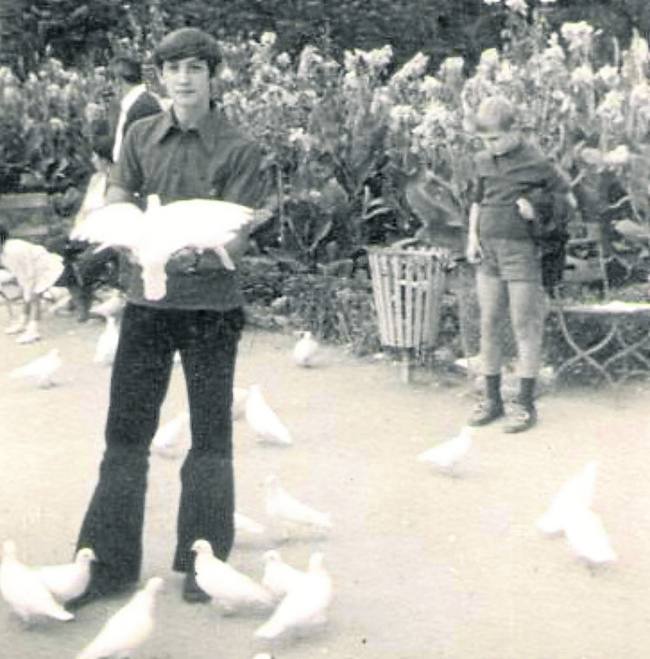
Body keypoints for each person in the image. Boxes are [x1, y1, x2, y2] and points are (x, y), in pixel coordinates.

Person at [70, 27, 272, 609]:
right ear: (160, 76)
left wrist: (199, 251)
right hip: (145, 306)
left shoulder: (238, 146)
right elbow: (119, 198)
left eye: (195, 68)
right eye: (172, 68)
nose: (183, 78)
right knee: (125, 434)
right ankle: (107, 564)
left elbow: (242, 234)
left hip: (211, 308)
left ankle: (203, 565)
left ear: (213, 76)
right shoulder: (138, 135)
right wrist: (120, 228)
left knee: (209, 436)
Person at [465, 95, 574, 433]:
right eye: (484, 140)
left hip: (522, 251)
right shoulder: (483, 160)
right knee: (489, 323)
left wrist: (536, 209)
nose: (490, 146)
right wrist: (471, 237)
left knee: (525, 325)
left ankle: (525, 403)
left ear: (514, 130)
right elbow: (477, 201)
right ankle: (493, 399)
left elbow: (567, 200)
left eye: (495, 138)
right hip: (488, 251)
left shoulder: (537, 162)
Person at [60, 134, 121, 321]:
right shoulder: (96, 179)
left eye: (95, 156)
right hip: (86, 231)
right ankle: (78, 298)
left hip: (108, 234)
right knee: (57, 249)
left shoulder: (118, 181)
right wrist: (77, 229)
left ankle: (84, 301)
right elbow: (84, 209)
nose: (92, 159)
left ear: (104, 158)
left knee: (86, 261)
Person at [0, 223, 64, 343]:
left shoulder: (14, 249)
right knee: (27, 294)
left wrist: (29, 290)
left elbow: (30, 273)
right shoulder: (3, 253)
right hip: (30, 271)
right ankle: (23, 322)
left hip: (45, 266)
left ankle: (33, 330)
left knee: (34, 296)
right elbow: (19, 272)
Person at [109, 55, 162, 162]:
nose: (110, 87)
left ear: (118, 81)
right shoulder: (135, 104)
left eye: (111, 79)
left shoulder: (143, 108)